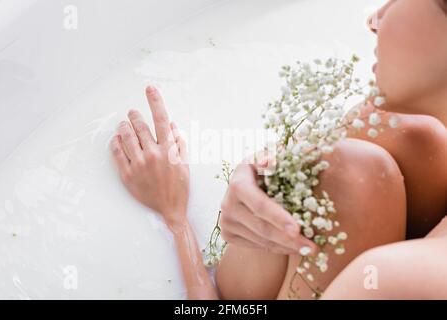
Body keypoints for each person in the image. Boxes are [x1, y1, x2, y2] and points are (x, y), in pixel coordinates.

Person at [111, 0, 447, 299]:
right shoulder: (411, 126)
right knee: (373, 153)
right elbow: (337, 164)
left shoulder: (391, 278)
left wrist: (177, 220)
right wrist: (263, 168)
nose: (375, 18)